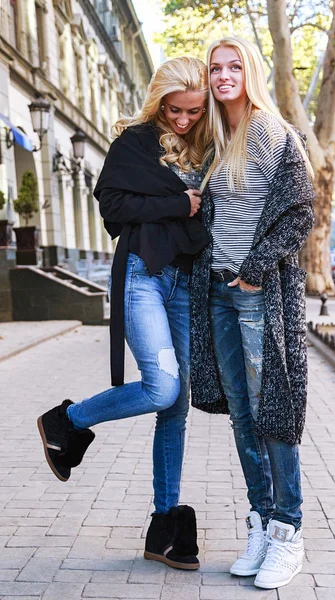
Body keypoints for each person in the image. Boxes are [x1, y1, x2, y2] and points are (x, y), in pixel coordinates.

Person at [37, 57, 212, 571]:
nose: (184, 120)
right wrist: (177, 204)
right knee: (162, 389)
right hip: (143, 276)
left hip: (185, 281)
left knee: (176, 406)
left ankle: (164, 525)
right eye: (175, 110)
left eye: (194, 111)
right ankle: (67, 420)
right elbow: (112, 206)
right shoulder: (134, 142)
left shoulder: (209, 144)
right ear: (160, 101)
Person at [190, 37, 315, 589]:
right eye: (215, 67)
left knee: (273, 412)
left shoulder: (270, 131)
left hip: (258, 292)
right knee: (242, 413)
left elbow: (300, 211)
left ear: (251, 72)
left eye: (234, 65)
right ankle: (261, 522)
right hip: (218, 291)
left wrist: (258, 268)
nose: (223, 75)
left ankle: (289, 529)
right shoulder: (214, 140)